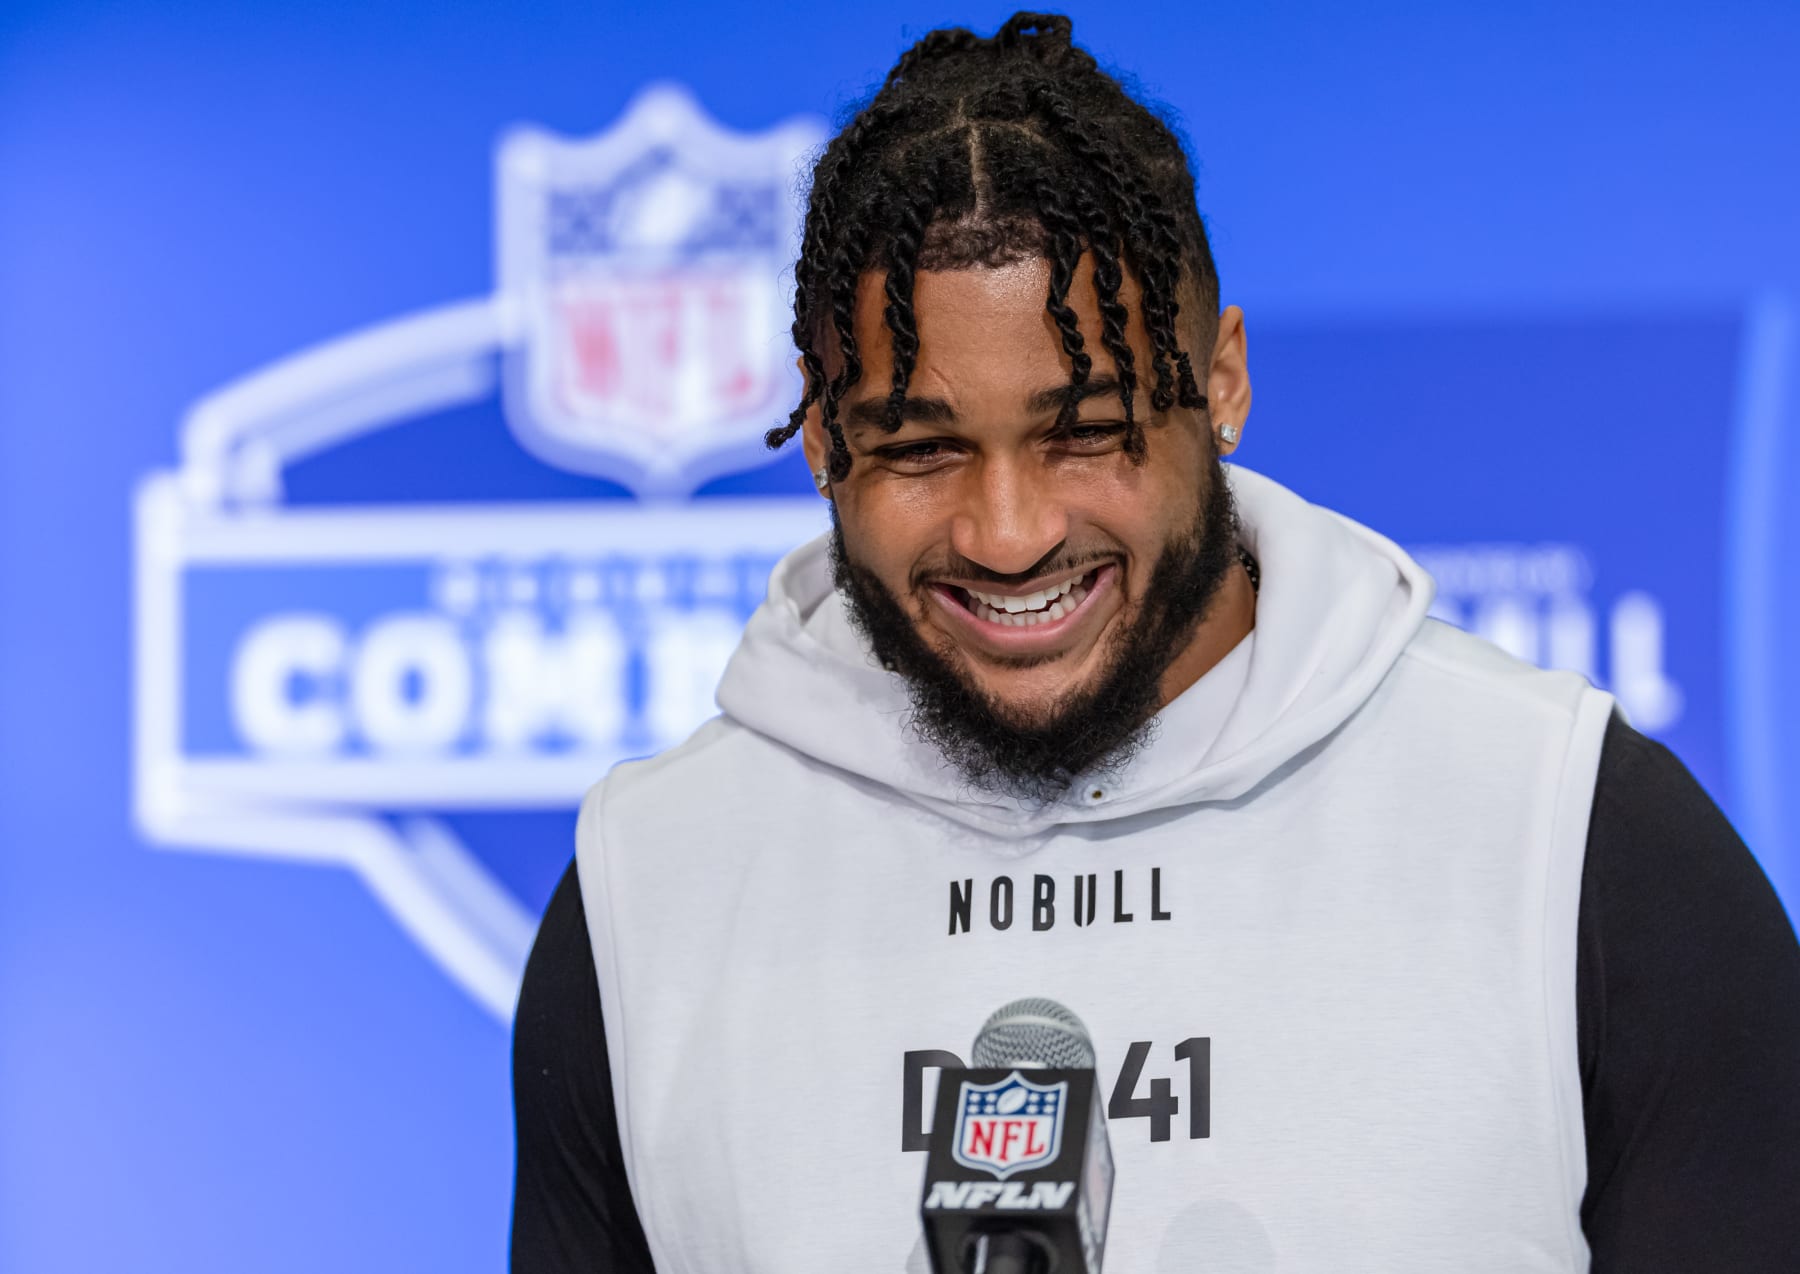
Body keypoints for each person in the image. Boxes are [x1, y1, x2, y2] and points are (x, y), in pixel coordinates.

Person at [511, 13, 1800, 1272]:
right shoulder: (652, 891)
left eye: (1087, 429)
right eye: (919, 447)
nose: (1008, 533)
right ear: (823, 444)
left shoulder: (1568, 832)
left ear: (1222, 381)